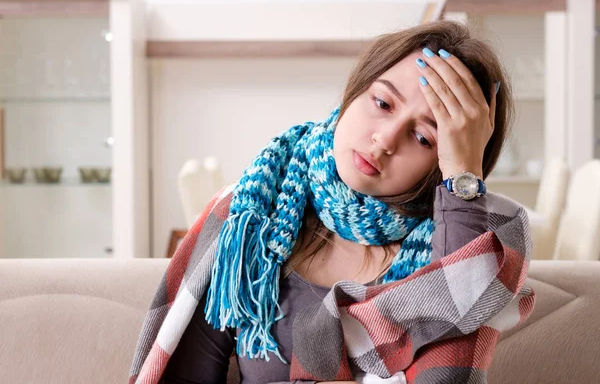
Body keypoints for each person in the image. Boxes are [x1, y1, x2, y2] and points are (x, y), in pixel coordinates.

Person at [130, 20, 533, 384]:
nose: (386, 139)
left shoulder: (474, 247)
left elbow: (449, 376)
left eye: (424, 137)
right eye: (382, 103)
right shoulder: (251, 218)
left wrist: (463, 176)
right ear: (355, 90)